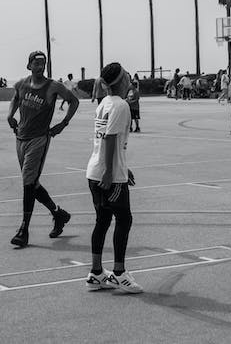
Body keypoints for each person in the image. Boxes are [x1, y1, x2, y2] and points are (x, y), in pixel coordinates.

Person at [6, 51, 78, 248]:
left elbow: (74, 101)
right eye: (36, 63)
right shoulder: (22, 83)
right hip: (21, 137)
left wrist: (63, 124)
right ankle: (58, 214)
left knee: (28, 182)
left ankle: (24, 229)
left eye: (43, 63)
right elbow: (15, 98)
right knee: (32, 183)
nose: (40, 66)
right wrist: (10, 114)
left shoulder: (53, 86)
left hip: (39, 139)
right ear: (28, 65)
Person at [83, 62, 142, 293]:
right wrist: (111, 171)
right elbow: (108, 139)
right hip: (108, 175)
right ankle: (119, 273)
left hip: (94, 170)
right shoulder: (121, 106)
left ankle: (96, 273)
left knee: (103, 220)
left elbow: (106, 139)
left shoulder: (104, 104)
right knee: (124, 219)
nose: (129, 78)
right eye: (127, 75)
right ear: (121, 81)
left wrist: (121, 167)